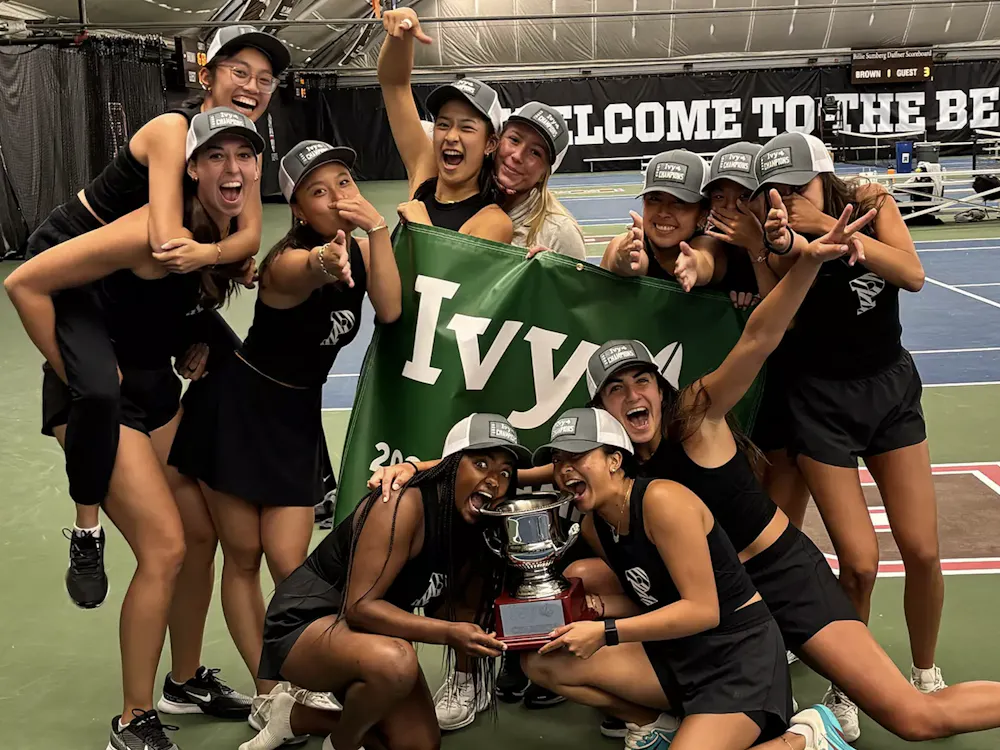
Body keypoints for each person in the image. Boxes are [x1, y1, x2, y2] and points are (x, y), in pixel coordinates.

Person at [5, 108, 263, 750]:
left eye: (245, 157)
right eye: (217, 157)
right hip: (101, 400)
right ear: (191, 168)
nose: (233, 170)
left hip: (157, 389)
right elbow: (25, 282)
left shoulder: (225, 232)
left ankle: (184, 680)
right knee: (166, 548)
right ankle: (133, 717)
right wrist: (83, 378)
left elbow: (167, 308)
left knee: (201, 535)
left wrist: (193, 338)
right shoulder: (148, 228)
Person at [22, 25, 288, 614]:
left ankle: (295, 480)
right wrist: (214, 255)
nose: (252, 86)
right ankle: (86, 530)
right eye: (238, 72)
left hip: (145, 288)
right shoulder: (175, 132)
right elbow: (170, 242)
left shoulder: (244, 149)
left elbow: (246, 237)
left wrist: (216, 260)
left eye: (264, 80)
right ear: (206, 76)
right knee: (97, 387)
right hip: (76, 267)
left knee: (235, 357)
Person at [168, 139, 401, 726]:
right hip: (238, 412)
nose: (336, 197)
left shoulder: (363, 249)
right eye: (318, 192)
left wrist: (376, 232)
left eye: (344, 183)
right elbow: (302, 273)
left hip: (297, 419)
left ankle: (308, 675)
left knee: (292, 566)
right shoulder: (285, 262)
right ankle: (270, 691)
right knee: (243, 557)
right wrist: (327, 261)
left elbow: (391, 311)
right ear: (299, 209)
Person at [748, 130, 942, 740]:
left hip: (888, 391)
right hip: (818, 403)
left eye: (795, 186)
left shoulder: (871, 203)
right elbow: (778, 280)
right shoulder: (780, 232)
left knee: (923, 549)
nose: (784, 200)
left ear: (824, 177)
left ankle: (925, 670)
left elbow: (911, 273)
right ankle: (846, 685)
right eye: (772, 192)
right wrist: (785, 240)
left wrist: (835, 223)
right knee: (858, 564)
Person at [521, 407, 850, 750]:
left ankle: (806, 739)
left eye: (577, 456)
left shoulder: (663, 501)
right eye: (558, 459)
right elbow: (652, 596)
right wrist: (599, 607)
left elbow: (703, 611)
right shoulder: (595, 525)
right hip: (678, 653)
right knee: (542, 662)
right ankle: (655, 726)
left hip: (737, 658)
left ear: (614, 460)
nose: (564, 469)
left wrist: (606, 632)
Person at [239, 414, 531, 750]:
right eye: (480, 463)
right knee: (396, 661)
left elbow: (541, 473)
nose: (494, 480)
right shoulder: (401, 505)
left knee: (418, 743)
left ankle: (294, 717)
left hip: (368, 635)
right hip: (306, 626)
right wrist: (451, 634)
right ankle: (341, 744)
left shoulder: (472, 526)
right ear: (449, 466)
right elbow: (360, 608)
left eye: (504, 473)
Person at [701, 141, 811, 664]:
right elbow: (702, 263)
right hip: (736, 409)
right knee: (737, 518)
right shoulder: (716, 245)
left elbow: (784, 315)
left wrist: (757, 249)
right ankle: (745, 618)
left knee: (778, 524)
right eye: (715, 196)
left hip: (789, 401)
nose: (724, 207)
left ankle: (783, 621)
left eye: (736, 196)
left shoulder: (778, 242)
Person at [377, 8, 512, 241]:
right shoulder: (426, 171)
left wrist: (422, 227)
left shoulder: (492, 222)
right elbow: (395, 84)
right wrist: (402, 30)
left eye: (466, 127)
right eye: (443, 124)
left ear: (490, 143)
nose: (451, 136)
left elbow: (448, 277)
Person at [601, 150, 726, 291]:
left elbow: (704, 260)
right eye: (654, 199)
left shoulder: (707, 243)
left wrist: (693, 265)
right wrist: (626, 258)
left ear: (703, 214)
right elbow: (627, 260)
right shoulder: (631, 242)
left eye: (679, 202)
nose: (663, 212)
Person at [493, 102, 587, 260]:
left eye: (535, 152)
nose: (517, 156)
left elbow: (577, 285)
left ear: (545, 173)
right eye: (514, 140)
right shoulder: (465, 197)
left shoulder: (559, 233)